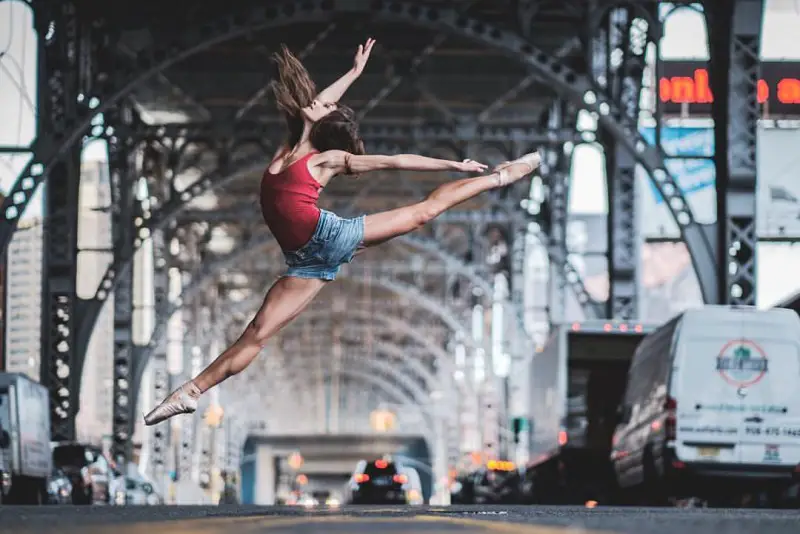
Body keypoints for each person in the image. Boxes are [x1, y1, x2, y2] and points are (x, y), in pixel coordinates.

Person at [144, 39, 540, 426]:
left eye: (327, 105)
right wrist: (352, 73)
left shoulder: (327, 159)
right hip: (304, 261)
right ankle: (190, 392)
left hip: (329, 238)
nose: (321, 100)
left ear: (325, 123)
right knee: (258, 333)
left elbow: (393, 161)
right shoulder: (289, 145)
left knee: (423, 212)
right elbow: (314, 105)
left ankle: (499, 176)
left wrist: (453, 165)